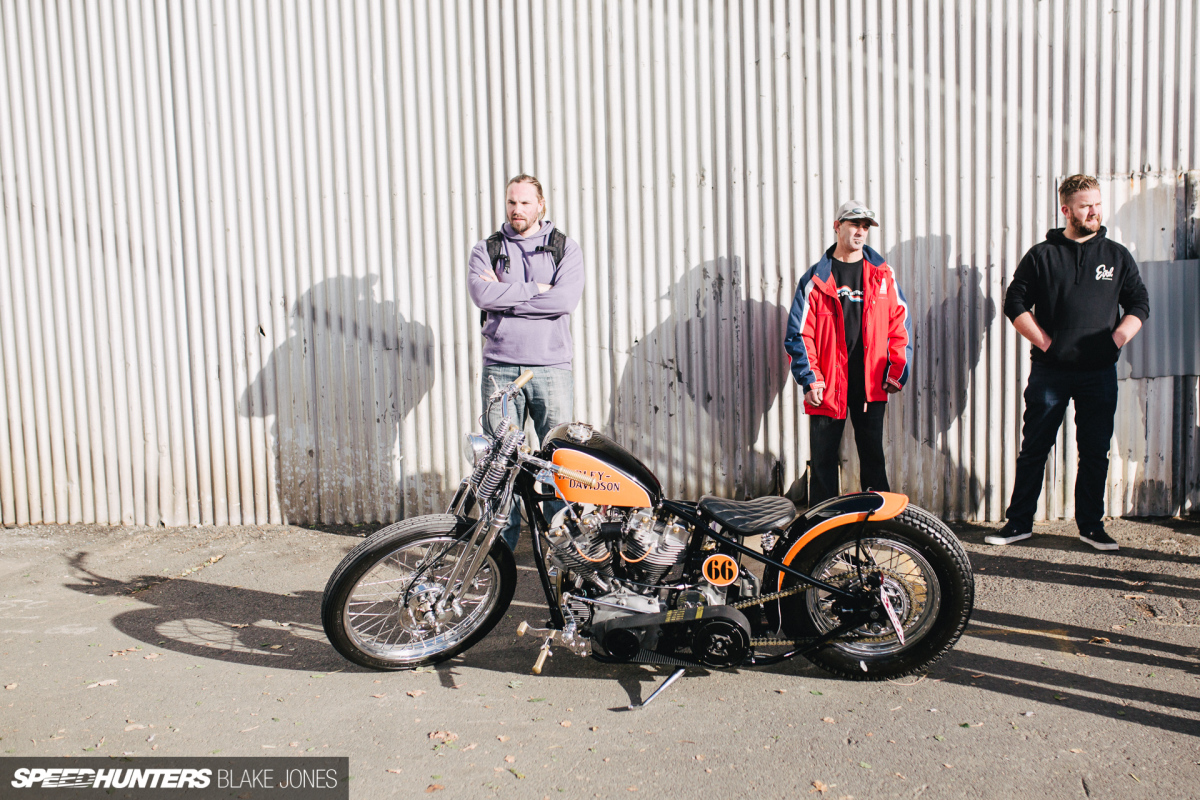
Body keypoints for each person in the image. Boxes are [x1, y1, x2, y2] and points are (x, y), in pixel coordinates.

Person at [987, 175, 1149, 551]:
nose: (1094, 211)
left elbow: (1139, 303)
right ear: (1066, 209)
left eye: (1097, 204)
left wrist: (1114, 341)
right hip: (1051, 373)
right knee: (1035, 447)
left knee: (1094, 451)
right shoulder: (1042, 255)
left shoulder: (1116, 256)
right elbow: (1015, 302)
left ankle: (1091, 526)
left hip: (1098, 373)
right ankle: (1018, 523)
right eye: (1085, 205)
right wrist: (1046, 343)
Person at [468, 174, 585, 550]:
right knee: (500, 463)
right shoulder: (487, 249)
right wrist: (535, 289)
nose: (516, 209)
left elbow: (563, 301)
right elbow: (482, 295)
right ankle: (499, 552)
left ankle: (563, 550)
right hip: (500, 367)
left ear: (541, 204)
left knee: (558, 461)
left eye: (524, 202)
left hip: (551, 368)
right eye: (511, 202)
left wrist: (504, 296)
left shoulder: (564, 248)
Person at [784, 201, 912, 505]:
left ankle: (877, 522)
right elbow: (799, 334)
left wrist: (895, 371)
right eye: (854, 224)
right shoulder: (815, 279)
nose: (860, 231)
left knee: (873, 458)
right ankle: (823, 524)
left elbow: (899, 325)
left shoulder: (883, 275)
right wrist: (811, 379)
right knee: (823, 463)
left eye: (865, 226)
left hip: (871, 385)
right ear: (837, 226)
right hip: (827, 386)